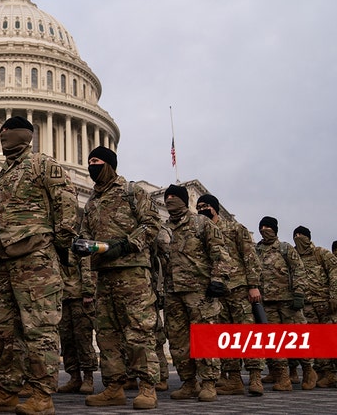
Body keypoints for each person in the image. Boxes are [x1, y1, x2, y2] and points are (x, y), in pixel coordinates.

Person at [0, 116, 78, 415]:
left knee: (39, 329)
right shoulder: (4, 175)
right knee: (5, 330)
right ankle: (7, 389)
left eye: (9, 131)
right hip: (4, 260)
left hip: (36, 259)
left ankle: (42, 395)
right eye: (0, 132)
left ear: (25, 135)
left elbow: (66, 203)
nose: (4, 136)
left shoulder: (43, 164)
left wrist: (56, 244)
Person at [74, 146, 161, 410]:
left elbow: (152, 225)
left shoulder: (133, 192)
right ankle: (114, 386)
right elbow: (87, 236)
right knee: (107, 335)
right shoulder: (91, 203)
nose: (91, 166)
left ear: (110, 164)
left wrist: (125, 244)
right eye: (89, 161)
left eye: (97, 161)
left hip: (132, 272)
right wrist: (80, 246)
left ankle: (147, 385)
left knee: (139, 331)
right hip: (104, 276)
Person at [158, 184, 232, 402]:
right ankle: (189, 382)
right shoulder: (163, 229)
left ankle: (209, 383)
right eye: (167, 197)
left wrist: (218, 279)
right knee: (179, 342)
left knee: (204, 338)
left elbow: (220, 253)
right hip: (173, 292)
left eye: (174, 196)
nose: (170, 200)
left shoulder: (201, 223)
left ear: (183, 199)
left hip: (200, 292)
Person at [194, 194, 265, 396]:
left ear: (215, 208)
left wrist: (253, 285)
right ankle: (233, 378)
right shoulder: (200, 231)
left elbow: (250, 257)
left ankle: (255, 377)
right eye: (198, 207)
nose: (201, 210)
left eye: (205, 206)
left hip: (240, 288)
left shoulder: (235, 228)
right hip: (217, 291)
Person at [254, 216, 314, 392]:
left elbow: (299, 270)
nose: (265, 230)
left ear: (275, 229)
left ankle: (309, 370)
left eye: (268, 227)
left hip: (288, 302)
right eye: (262, 226)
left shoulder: (285, 248)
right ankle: (283, 377)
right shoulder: (257, 250)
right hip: (267, 303)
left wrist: (299, 293)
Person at [292, 226, 337, 388]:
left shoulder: (321, 253)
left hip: (325, 302)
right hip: (308, 305)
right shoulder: (294, 256)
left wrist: (334, 295)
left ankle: (333, 372)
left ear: (308, 237)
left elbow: (334, 273)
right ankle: (325, 373)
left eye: (301, 235)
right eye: (295, 235)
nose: (298, 237)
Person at [56, 250, 97, 395]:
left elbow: (87, 266)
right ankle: (74, 378)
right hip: (62, 297)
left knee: (82, 339)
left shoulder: (78, 243)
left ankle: (88, 378)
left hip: (79, 298)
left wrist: (87, 291)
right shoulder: (56, 244)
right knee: (67, 340)